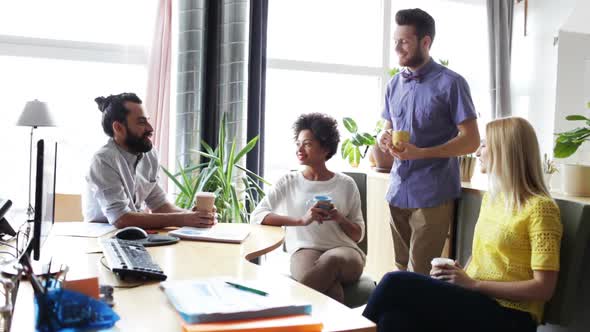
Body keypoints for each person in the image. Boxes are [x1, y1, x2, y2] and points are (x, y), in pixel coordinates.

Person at [363, 117, 562, 332]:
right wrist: (459, 273)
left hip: (511, 316)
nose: (477, 152)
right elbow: (482, 257)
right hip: (477, 300)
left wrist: (473, 284)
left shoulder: (540, 209)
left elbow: (543, 289)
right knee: (394, 320)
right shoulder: (493, 199)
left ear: (504, 151)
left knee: (395, 282)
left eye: (484, 145)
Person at [377, 8, 480, 274]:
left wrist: (421, 153)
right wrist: (383, 137)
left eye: (405, 42)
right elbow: (387, 127)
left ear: (426, 42)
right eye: (395, 42)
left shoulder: (452, 84)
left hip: (433, 192)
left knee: (420, 272)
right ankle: (396, 317)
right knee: (399, 268)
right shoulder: (393, 85)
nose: (398, 48)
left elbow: (471, 141)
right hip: (397, 189)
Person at [251, 113, 365, 303]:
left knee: (331, 260)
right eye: (298, 143)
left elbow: (358, 235)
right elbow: (257, 215)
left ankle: (281, 310)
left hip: (345, 252)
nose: (300, 149)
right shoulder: (289, 181)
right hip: (304, 251)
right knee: (333, 293)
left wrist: (339, 218)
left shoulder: (346, 184)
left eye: (308, 144)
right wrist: (301, 220)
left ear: (326, 148)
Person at [83, 92, 216, 229]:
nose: (150, 128)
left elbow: (159, 205)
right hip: (101, 238)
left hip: (133, 235)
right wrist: (184, 219)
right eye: (142, 122)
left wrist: (197, 217)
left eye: (148, 120)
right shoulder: (103, 160)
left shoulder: (149, 154)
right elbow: (121, 218)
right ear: (118, 128)